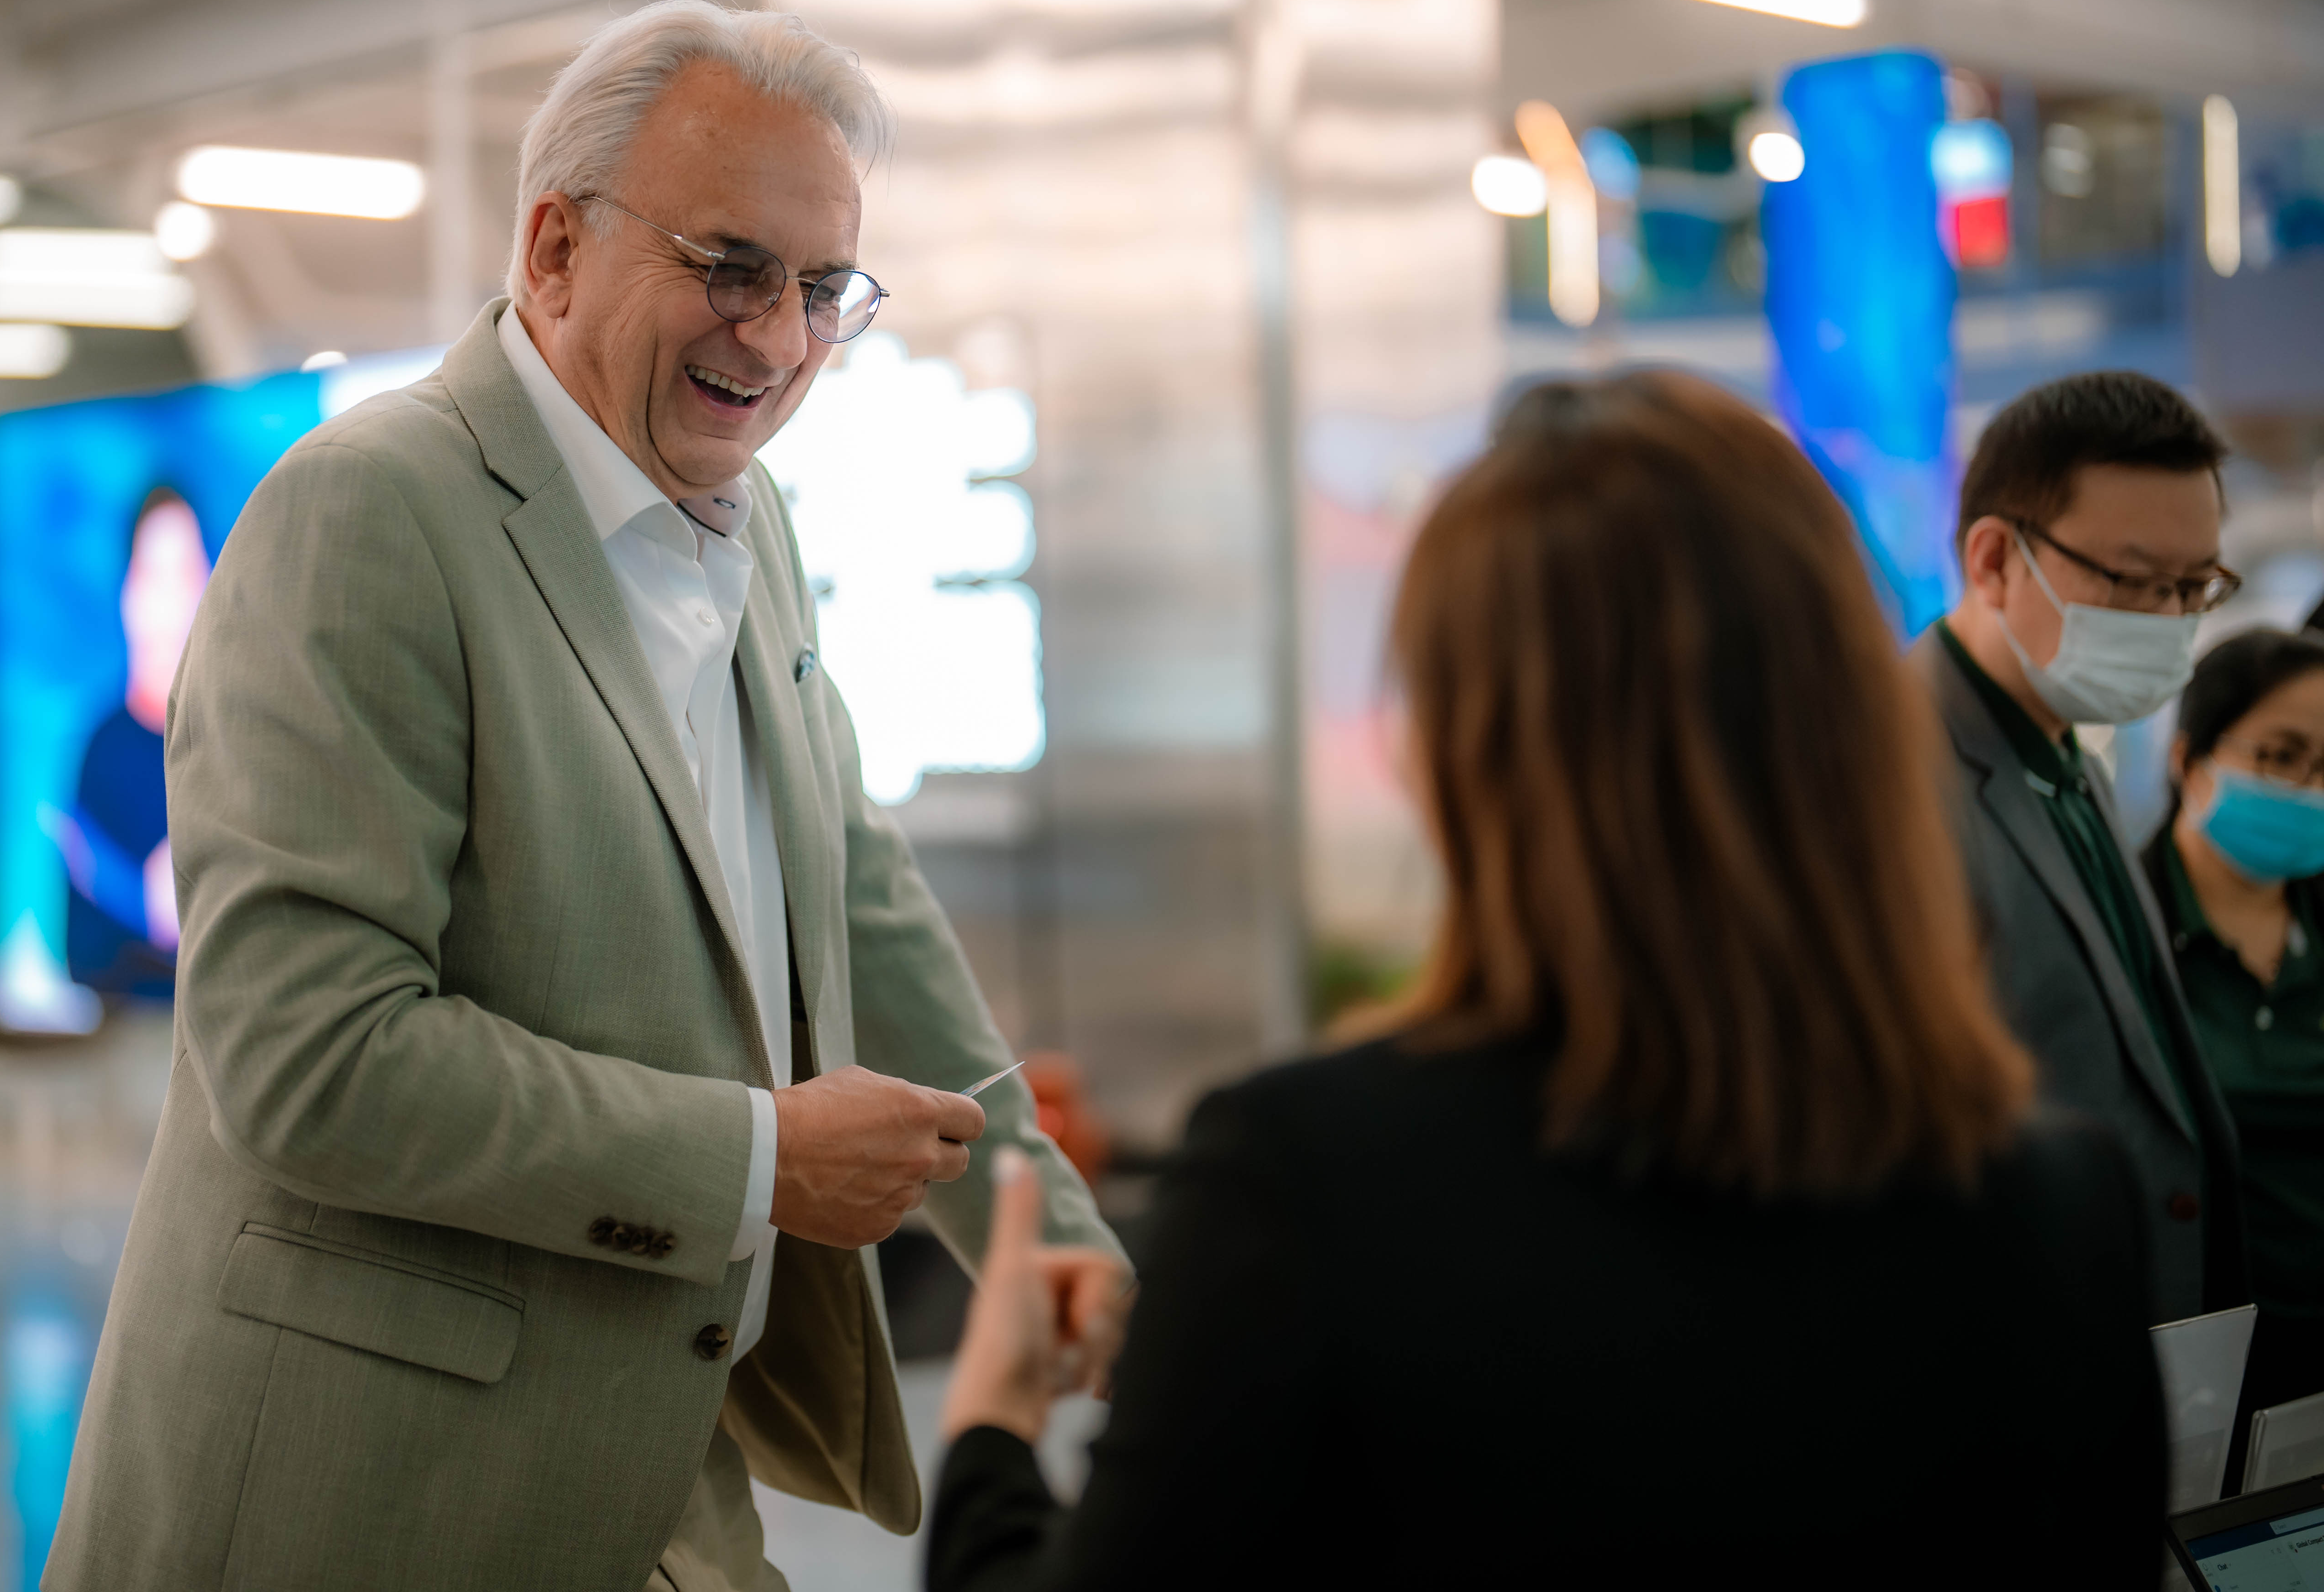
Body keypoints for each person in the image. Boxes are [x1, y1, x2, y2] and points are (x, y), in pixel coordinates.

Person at [46, 0, 1124, 1592]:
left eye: (822, 289)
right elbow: (307, 1056)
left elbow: (849, 885)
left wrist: (1041, 1223)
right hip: (363, 1497)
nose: (779, 339)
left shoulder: (746, 524)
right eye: (731, 269)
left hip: (644, 1461)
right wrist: (760, 1162)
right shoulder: (369, 515)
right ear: (554, 249)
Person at [925, 373, 2165, 1588]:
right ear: (1857, 723)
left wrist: (993, 1426)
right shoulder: (2056, 1207)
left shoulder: (1305, 1184)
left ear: (1461, 749)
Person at [1911, 370, 2246, 1323]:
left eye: (2194, 586)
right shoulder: (1889, 781)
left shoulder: (2070, 761)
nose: (2171, 619)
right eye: (2133, 581)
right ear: (1993, 560)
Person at [2146, 628, 2324, 1411]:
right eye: (2282, 757)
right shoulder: (2128, 941)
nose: (2310, 789)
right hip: (2193, 1364)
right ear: (2189, 760)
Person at [46, 489, 209, 999]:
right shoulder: (101, 756)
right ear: (129, 593)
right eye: (154, 576)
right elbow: (80, 958)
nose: (171, 604)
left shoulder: (240, 743)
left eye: (184, 575)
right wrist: (149, 910)